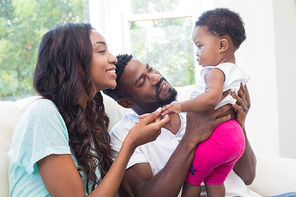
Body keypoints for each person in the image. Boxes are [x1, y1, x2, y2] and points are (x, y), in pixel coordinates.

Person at [7, 22, 171, 197]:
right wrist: (130, 143)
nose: (113, 58)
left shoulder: (88, 117)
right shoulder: (43, 113)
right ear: (73, 61)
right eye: (101, 51)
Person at [103, 54, 259, 197]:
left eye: (150, 69)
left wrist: (240, 126)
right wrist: (190, 138)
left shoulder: (201, 106)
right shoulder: (124, 135)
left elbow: (248, 176)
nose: (156, 77)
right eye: (142, 81)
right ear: (126, 102)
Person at [161, 8, 249, 197]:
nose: (197, 53)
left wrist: (180, 106)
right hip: (236, 138)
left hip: (219, 138)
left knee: (192, 179)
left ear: (222, 45)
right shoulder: (236, 72)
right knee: (215, 180)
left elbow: (211, 99)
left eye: (200, 46)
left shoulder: (215, 71)